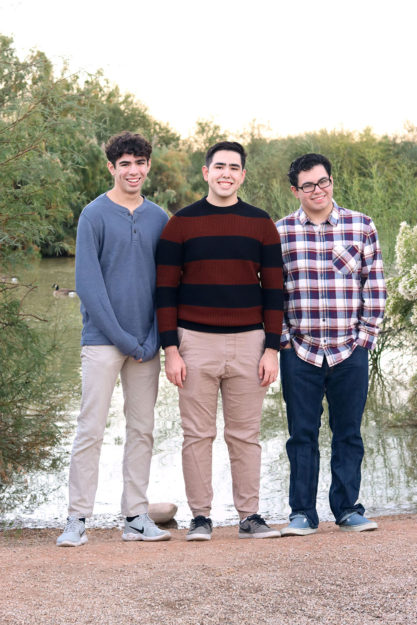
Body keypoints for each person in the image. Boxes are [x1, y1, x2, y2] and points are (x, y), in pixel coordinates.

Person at [156, 141, 283, 540]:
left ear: (243, 175)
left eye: (234, 167)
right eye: (219, 166)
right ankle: (200, 518)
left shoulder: (261, 223)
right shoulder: (180, 223)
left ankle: (249, 516)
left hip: (250, 343)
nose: (226, 173)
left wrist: (272, 348)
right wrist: (171, 350)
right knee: (197, 435)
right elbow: (164, 291)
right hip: (194, 343)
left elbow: (275, 291)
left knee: (245, 436)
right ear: (206, 172)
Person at [56, 132, 171, 547]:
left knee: (142, 429)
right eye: (125, 163)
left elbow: (167, 283)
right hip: (104, 341)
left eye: (140, 162)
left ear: (148, 166)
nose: (133, 170)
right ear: (112, 168)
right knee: (90, 428)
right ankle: (77, 519)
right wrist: (124, 338)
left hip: (146, 343)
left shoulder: (160, 217)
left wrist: (154, 336)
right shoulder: (93, 214)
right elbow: (89, 285)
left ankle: (136, 518)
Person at [276, 153, 386, 536]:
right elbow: (274, 293)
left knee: (348, 433)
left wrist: (364, 340)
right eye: (308, 185)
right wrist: (284, 341)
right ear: (295, 190)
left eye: (323, 182)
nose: (317, 190)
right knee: (301, 434)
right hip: (300, 351)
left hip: (349, 349)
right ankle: (302, 513)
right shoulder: (281, 232)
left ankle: (348, 509)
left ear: (331, 181)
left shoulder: (361, 226)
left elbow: (374, 286)